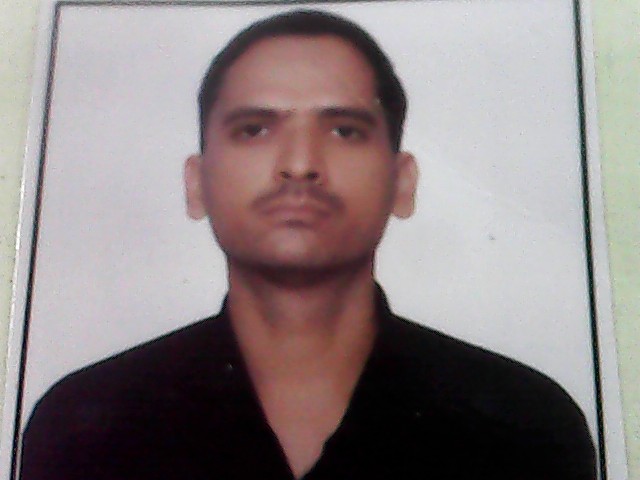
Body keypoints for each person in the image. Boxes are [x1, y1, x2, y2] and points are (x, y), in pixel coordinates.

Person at [20, 9, 596, 480]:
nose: (299, 164)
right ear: (196, 183)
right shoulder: (84, 426)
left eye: (345, 130)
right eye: (254, 129)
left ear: (403, 182)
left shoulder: (526, 425)